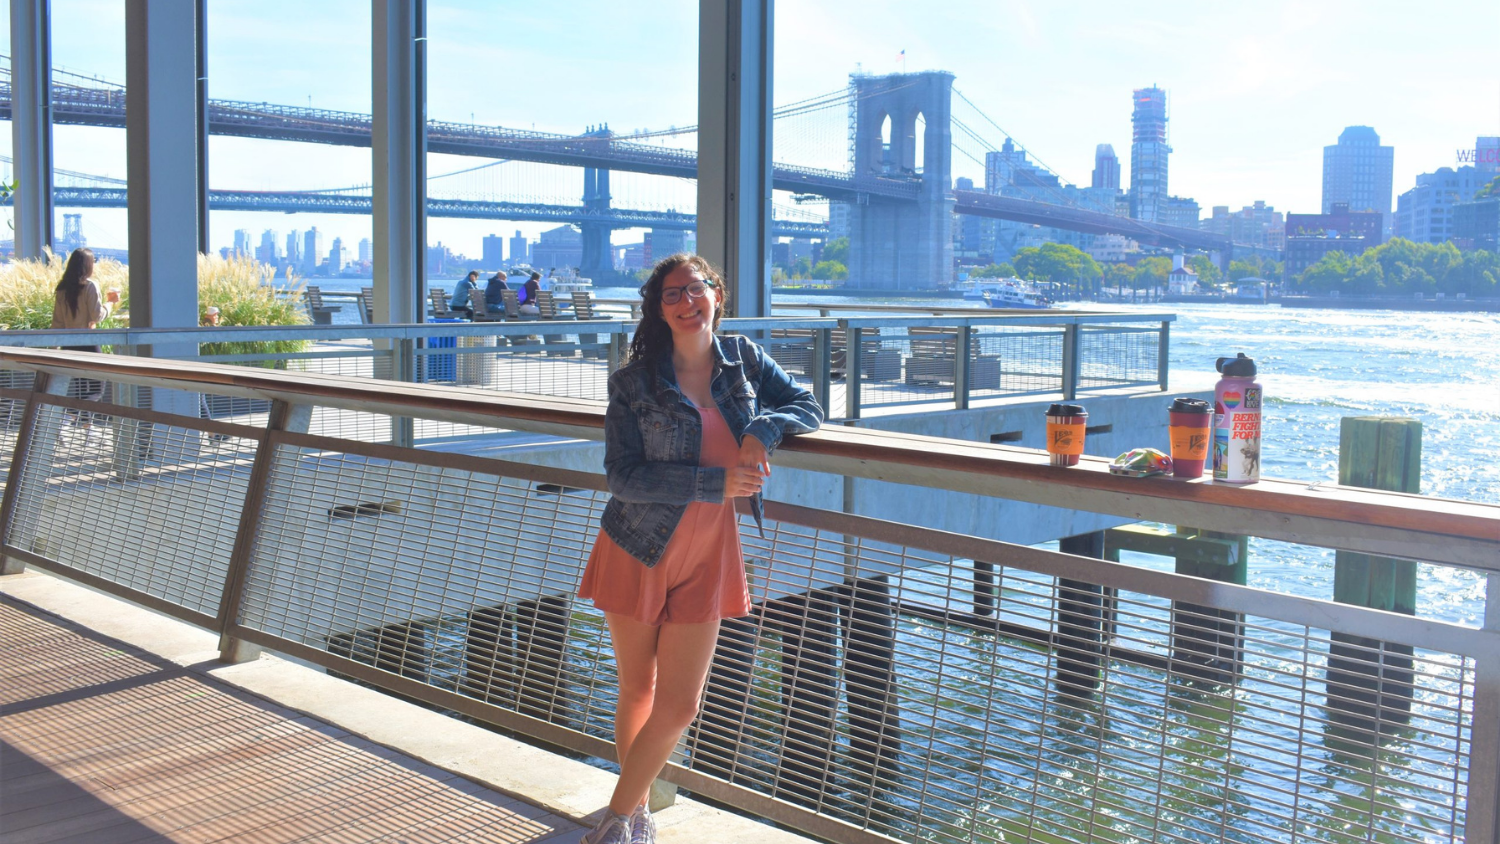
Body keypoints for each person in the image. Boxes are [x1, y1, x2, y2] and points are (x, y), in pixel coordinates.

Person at [575, 253, 822, 844]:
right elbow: (622, 476)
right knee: (638, 688)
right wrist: (715, 483)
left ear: (718, 293)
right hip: (638, 543)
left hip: (711, 551)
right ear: (658, 309)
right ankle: (633, 816)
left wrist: (764, 429)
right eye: (671, 295)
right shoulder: (633, 381)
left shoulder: (744, 359)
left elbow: (809, 406)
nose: (687, 303)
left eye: (696, 290)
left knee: (681, 704)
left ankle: (617, 815)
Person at [51, 247, 118, 408]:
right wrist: (110, 303)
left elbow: (58, 322)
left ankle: (85, 425)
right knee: (98, 386)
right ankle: (72, 414)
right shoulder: (90, 286)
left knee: (80, 387)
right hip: (88, 342)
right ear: (88, 265)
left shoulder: (62, 289)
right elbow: (96, 316)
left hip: (69, 343)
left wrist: (53, 347)